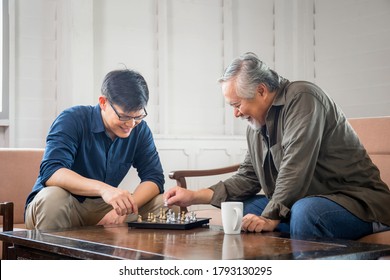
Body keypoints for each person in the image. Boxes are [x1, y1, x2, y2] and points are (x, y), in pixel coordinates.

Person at [164, 52, 390, 240]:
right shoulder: (255, 127)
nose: (235, 113)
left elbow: (295, 164)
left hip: (356, 203)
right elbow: (247, 177)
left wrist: (271, 216)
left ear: (261, 91)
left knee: (306, 212)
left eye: (237, 104)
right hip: (300, 201)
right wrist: (193, 196)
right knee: (238, 208)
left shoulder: (304, 98)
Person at [25, 69, 166, 230]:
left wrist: (125, 210)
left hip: (103, 206)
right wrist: (104, 189)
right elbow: (52, 171)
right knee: (53, 197)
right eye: (124, 116)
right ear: (103, 102)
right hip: (64, 204)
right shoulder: (72, 119)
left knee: (165, 205)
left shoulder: (140, 130)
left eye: (138, 117)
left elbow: (154, 177)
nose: (131, 124)